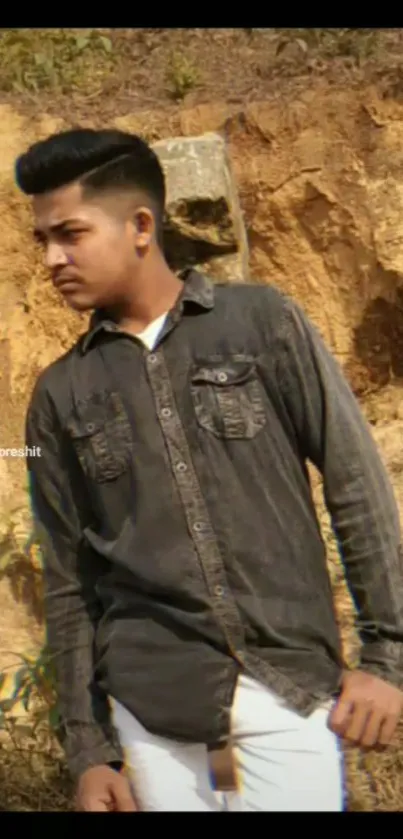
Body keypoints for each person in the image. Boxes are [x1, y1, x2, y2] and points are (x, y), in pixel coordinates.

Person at [16, 127, 403, 813]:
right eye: (42, 239)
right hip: (150, 706)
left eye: (70, 233)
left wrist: (386, 657)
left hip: (285, 686)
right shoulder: (59, 394)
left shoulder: (263, 324)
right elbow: (71, 580)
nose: (51, 257)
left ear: (140, 225)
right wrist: (90, 749)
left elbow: (355, 486)